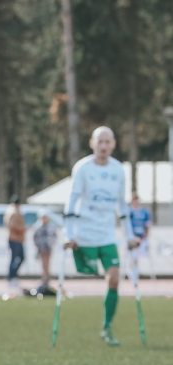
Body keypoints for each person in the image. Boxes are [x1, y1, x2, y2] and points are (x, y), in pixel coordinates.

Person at [64, 126, 140, 346]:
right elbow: (72, 200)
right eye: (100, 142)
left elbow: (121, 206)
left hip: (107, 235)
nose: (104, 146)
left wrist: (130, 236)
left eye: (108, 142)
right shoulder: (82, 168)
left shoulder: (118, 170)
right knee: (85, 273)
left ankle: (107, 327)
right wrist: (68, 234)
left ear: (114, 144)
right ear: (92, 143)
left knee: (114, 279)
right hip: (84, 235)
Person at [4, 195, 26, 291]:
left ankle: (13, 276)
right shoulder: (13, 212)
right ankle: (11, 277)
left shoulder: (10, 211)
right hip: (15, 238)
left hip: (16, 238)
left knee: (19, 258)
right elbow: (12, 225)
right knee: (16, 258)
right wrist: (22, 229)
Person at [32, 211, 57, 293]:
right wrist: (38, 246)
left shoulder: (51, 227)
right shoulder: (38, 227)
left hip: (48, 248)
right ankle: (45, 277)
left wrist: (51, 245)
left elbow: (54, 236)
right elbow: (35, 238)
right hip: (42, 248)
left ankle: (46, 278)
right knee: (43, 264)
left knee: (47, 263)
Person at [128, 191, 152, 264]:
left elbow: (148, 226)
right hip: (132, 239)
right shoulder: (128, 212)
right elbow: (126, 227)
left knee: (145, 256)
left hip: (142, 238)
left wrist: (144, 237)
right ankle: (133, 273)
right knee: (132, 258)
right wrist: (131, 237)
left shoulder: (145, 212)